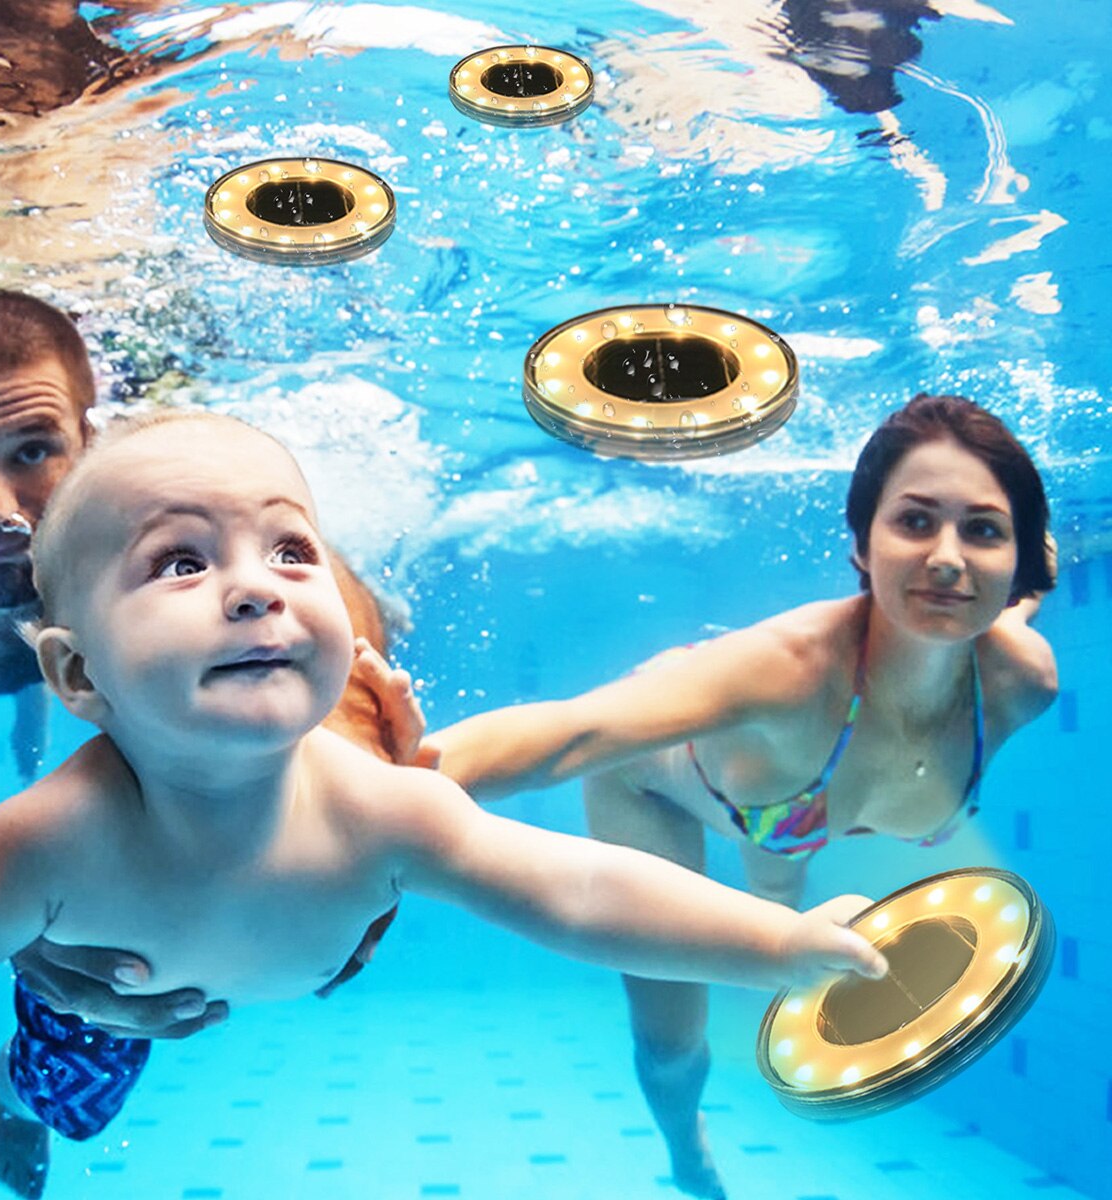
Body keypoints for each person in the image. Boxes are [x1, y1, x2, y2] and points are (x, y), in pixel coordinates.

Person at [0, 411, 888, 1193]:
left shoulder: (378, 806)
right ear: (78, 673)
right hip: (108, 1004)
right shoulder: (56, 835)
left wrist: (778, 946)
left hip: (267, 956)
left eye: (292, 549)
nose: (257, 588)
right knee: (66, 1098)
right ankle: (12, 1093)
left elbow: (580, 891)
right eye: (181, 562)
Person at [426, 394, 1058, 1199]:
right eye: (914, 522)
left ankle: (776, 876)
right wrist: (370, 778)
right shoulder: (785, 669)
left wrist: (1028, 573)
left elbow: (1012, 600)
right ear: (861, 544)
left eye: (983, 530)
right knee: (670, 1038)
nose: (945, 558)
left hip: (787, 796)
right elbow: (571, 734)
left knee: (783, 857)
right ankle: (684, 1146)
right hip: (658, 776)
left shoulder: (1020, 682)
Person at [0, 288, 427, 1198]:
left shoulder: (141, 510)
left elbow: (330, 615)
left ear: (90, 443)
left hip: (114, 698)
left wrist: (348, 803)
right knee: (79, 1080)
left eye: (34, 452)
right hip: (78, 696)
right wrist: (12, 894)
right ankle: (18, 1092)